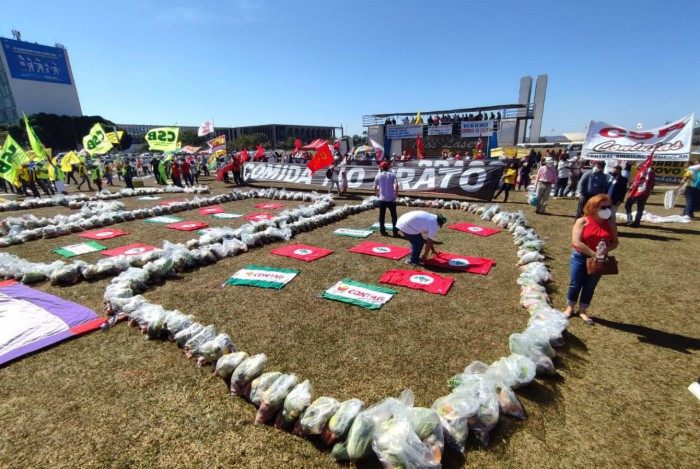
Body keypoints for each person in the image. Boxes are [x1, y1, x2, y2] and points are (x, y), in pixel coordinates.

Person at [564, 194, 618, 325]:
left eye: (609, 206)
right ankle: (570, 308)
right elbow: (576, 242)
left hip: (599, 260)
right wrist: (594, 254)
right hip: (580, 257)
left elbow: (615, 242)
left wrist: (606, 250)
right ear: (593, 207)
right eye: (603, 207)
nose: (607, 209)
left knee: (590, 285)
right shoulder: (582, 221)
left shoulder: (610, 223)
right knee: (575, 283)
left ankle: (583, 310)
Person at [624, 161, 655, 227]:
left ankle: (630, 220)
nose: (638, 168)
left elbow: (638, 182)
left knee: (628, 205)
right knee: (640, 207)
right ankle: (637, 222)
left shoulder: (644, 173)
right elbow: (652, 184)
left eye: (639, 167)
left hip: (638, 192)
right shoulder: (651, 173)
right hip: (645, 193)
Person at [373, 161, 399, 236]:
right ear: (388, 167)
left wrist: (377, 195)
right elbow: (396, 186)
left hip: (382, 199)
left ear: (381, 167)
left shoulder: (378, 175)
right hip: (391, 199)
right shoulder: (392, 175)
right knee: (394, 216)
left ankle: (382, 231)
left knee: (382, 216)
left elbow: (375, 187)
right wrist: (396, 195)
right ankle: (395, 231)